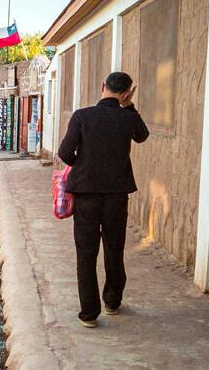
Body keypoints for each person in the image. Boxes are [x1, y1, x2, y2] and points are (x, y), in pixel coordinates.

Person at [57, 71, 149, 328]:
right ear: (128, 92)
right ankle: (111, 301)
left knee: (86, 253)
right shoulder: (127, 117)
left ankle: (88, 314)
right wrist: (129, 106)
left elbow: (65, 152)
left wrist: (83, 166)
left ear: (102, 87)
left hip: (85, 195)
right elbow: (142, 136)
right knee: (114, 248)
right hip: (117, 196)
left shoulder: (82, 116)